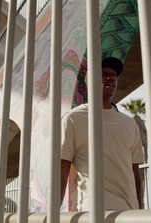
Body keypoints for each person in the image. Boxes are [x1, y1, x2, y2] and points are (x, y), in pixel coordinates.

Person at [60, 57, 145, 211]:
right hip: (92, 212)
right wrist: (52, 214)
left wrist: (139, 210)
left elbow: (135, 173)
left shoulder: (129, 123)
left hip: (128, 214)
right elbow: (61, 173)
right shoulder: (73, 119)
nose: (110, 77)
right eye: (103, 73)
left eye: (114, 74)